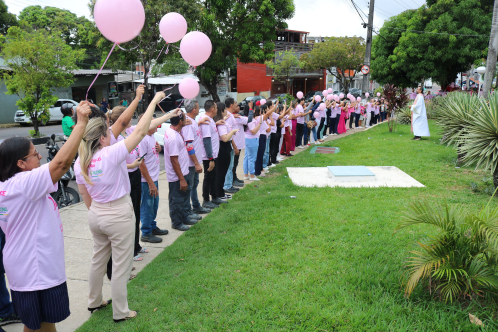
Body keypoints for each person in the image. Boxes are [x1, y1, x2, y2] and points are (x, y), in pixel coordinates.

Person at [0, 101, 92, 331]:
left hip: (35, 268)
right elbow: (61, 163)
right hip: (34, 270)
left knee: (44, 323)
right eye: (34, 155)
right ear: (20, 164)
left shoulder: (14, 184)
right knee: (35, 326)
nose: (40, 157)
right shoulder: (23, 184)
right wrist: (80, 123)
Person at [76, 91, 164, 322]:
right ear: (102, 137)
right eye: (108, 131)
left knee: (98, 259)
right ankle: (121, 312)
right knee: (121, 266)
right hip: (117, 213)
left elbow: (85, 194)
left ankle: (94, 301)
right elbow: (140, 131)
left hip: (96, 214)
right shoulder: (109, 154)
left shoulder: (81, 161)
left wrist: (97, 212)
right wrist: (153, 102)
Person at [164, 111, 195, 232]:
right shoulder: (173, 137)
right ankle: (176, 222)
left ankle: (184, 217)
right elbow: (174, 160)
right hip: (177, 176)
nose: (187, 120)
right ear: (180, 121)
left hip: (183, 172)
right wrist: (181, 179)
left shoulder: (175, 131)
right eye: (184, 118)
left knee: (183, 197)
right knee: (176, 199)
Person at [182, 99, 212, 214]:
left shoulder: (192, 122)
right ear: (194, 110)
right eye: (198, 107)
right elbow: (189, 145)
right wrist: (196, 163)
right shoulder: (188, 123)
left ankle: (196, 206)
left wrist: (199, 123)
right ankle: (188, 210)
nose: (199, 110)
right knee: (189, 187)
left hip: (195, 162)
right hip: (191, 163)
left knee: (194, 185)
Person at [200, 101, 226, 207]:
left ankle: (214, 197)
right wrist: (210, 158)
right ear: (212, 109)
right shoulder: (205, 121)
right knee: (208, 177)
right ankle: (206, 200)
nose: (217, 109)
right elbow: (206, 140)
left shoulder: (210, 120)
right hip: (208, 156)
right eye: (216, 108)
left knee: (213, 176)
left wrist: (216, 124)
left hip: (213, 155)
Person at [214, 102, 239, 199]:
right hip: (222, 149)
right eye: (224, 110)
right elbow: (224, 138)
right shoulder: (221, 124)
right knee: (221, 172)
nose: (226, 112)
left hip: (225, 148)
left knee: (223, 172)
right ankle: (219, 194)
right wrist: (232, 132)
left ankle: (221, 193)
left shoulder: (221, 121)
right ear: (221, 111)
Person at [222, 98, 244, 194]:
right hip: (230, 144)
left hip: (233, 144)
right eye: (235, 103)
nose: (236, 105)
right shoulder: (228, 116)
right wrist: (234, 146)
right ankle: (227, 185)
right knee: (229, 166)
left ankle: (229, 184)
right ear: (231, 105)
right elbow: (228, 133)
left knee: (231, 166)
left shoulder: (231, 115)